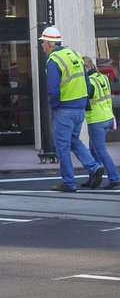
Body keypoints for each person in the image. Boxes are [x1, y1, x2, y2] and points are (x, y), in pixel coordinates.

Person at [40, 25, 104, 192]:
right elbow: (87, 83)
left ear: (49, 43)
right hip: (79, 108)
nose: (41, 45)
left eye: (43, 42)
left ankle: (69, 183)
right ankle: (94, 167)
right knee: (74, 141)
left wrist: (54, 106)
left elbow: (53, 89)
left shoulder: (53, 60)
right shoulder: (75, 54)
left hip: (65, 109)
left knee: (62, 147)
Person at [82, 55, 120, 190]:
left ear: (88, 67)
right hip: (107, 116)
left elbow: (87, 98)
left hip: (96, 119)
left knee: (100, 150)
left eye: (83, 68)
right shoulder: (103, 77)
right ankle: (93, 176)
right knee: (94, 149)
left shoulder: (89, 82)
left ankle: (114, 178)